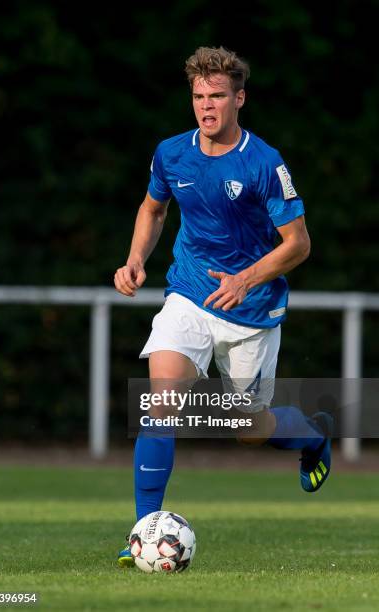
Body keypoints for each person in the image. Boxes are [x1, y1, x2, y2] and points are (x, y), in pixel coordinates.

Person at [114, 46, 333, 567]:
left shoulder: (264, 162)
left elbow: (298, 243)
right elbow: (153, 208)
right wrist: (135, 259)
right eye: (198, 97)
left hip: (251, 310)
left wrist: (247, 278)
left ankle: (312, 437)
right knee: (161, 403)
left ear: (240, 98)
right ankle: (142, 531)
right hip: (188, 292)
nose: (206, 107)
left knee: (246, 429)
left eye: (217, 96)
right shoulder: (171, 153)